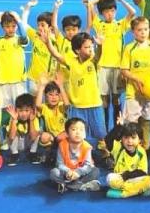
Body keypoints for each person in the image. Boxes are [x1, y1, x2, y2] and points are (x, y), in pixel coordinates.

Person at [41, 29, 109, 157]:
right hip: (77, 107)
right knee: (78, 133)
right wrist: (47, 43)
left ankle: (105, 153)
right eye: (87, 47)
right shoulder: (71, 62)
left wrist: (100, 45)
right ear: (78, 50)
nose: (90, 49)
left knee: (100, 133)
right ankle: (79, 154)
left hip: (95, 105)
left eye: (91, 46)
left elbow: (99, 54)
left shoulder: (93, 61)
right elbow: (57, 55)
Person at [85, 0, 136, 129]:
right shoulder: (99, 25)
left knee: (116, 100)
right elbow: (90, 4)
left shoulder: (120, 25)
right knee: (104, 100)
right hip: (102, 67)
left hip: (117, 67)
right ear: (101, 13)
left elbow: (133, 12)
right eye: (106, 11)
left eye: (112, 11)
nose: (110, 14)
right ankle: (105, 129)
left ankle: (118, 129)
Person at [120, 16, 150, 149]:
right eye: (139, 30)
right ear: (133, 31)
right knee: (131, 122)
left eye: (146, 29)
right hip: (133, 92)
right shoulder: (129, 48)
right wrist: (136, 79)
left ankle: (145, 148)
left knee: (146, 120)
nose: (143, 32)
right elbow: (124, 70)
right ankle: (129, 148)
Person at [0, 10, 29, 146]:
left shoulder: (19, 40)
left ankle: (22, 137)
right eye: (7, 26)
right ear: (3, 27)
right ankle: (6, 138)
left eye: (13, 26)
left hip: (18, 82)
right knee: (5, 111)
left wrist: (19, 20)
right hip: (2, 83)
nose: (10, 29)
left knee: (21, 109)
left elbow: (24, 36)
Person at [104, 119, 150, 199]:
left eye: (133, 138)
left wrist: (127, 175)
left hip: (133, 178)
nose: (129, 141)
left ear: (140, 140)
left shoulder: (142, 152)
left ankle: (124, 193)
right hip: (120, 178)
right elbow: (108, 140)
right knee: (109, 178)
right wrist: (118, 127)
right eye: (126, 137)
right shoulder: (119, 147)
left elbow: (142, 172)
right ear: (122, 139)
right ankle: (138, 190)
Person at [50, 117, 101, 193]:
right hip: (66, 173)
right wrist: (67, 171)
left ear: (85, 134)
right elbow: (59, 164)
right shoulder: (62, 145)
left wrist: (78, 172)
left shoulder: (87, 147)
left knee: (95, 171)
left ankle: (67, 185)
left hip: (80, 174)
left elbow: (88, 165)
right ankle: (81, 186)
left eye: (81, 130)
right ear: (67, 133)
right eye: (74, 129)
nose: (78, 133)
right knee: (54, 172)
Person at [20, 1, 56, 94]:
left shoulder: (55, 41)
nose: (39, 27)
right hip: (33, 78)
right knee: (34, 101)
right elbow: (23, 24)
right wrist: (28, 7)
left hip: (48, 80)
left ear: (50, 27)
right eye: (38, 24)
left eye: (43, 25)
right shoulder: (35, 36)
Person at [35, 79, 68, 165]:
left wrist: (61, 86)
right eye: (50, 94)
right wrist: (42, 87)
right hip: (52, 137)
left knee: (62, 137)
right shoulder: (44, 107)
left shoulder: (61, 106)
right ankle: (48, 154)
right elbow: (37, 105)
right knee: (44, 137)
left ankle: (64, 155)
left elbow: (67, 104)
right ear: (45, 96)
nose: (54, 97)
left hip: (63, 135)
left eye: (56, 94)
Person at [6, 93, 41, 166]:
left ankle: (32, 153)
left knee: (36, 133)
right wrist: (14, 120)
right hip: (18, 144)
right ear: (16, 110)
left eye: (27, 110)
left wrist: (31, 121)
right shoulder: (13, 118)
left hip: (28, 143)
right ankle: (14, 154)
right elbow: (11, 137)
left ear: (32, 110)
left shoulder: (34, 119)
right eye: (21, 110)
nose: (24, 114)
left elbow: (33, 137)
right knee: (10, 133)